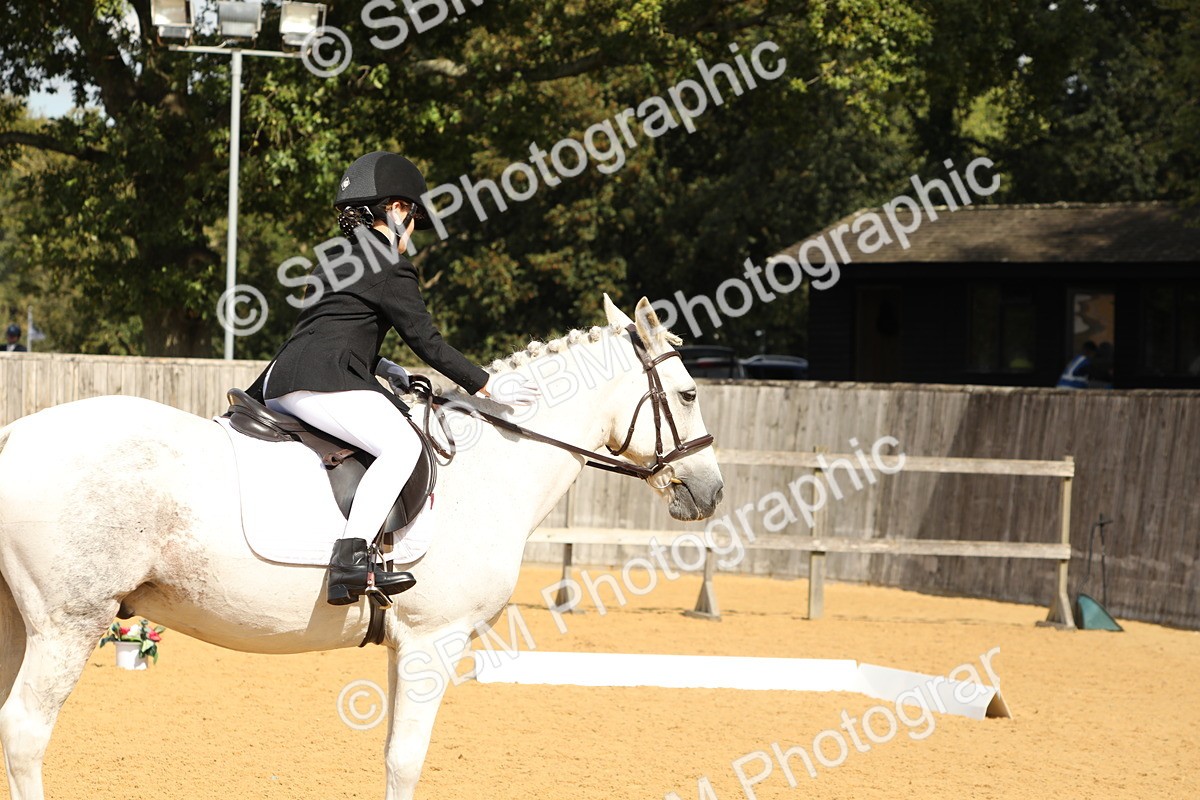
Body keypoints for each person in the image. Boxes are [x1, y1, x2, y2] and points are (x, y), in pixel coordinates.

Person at [249, 151, 539, 605]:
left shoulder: (334, 256)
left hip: (279, 382)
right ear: (395, 209)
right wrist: (486, 384)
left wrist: (383, 367)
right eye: (411, 215)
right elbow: (427, 340)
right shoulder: (388, 261)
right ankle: (352, 559)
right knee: (403, 444)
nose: (411, 233)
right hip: (320, 382)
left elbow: (331, 327)